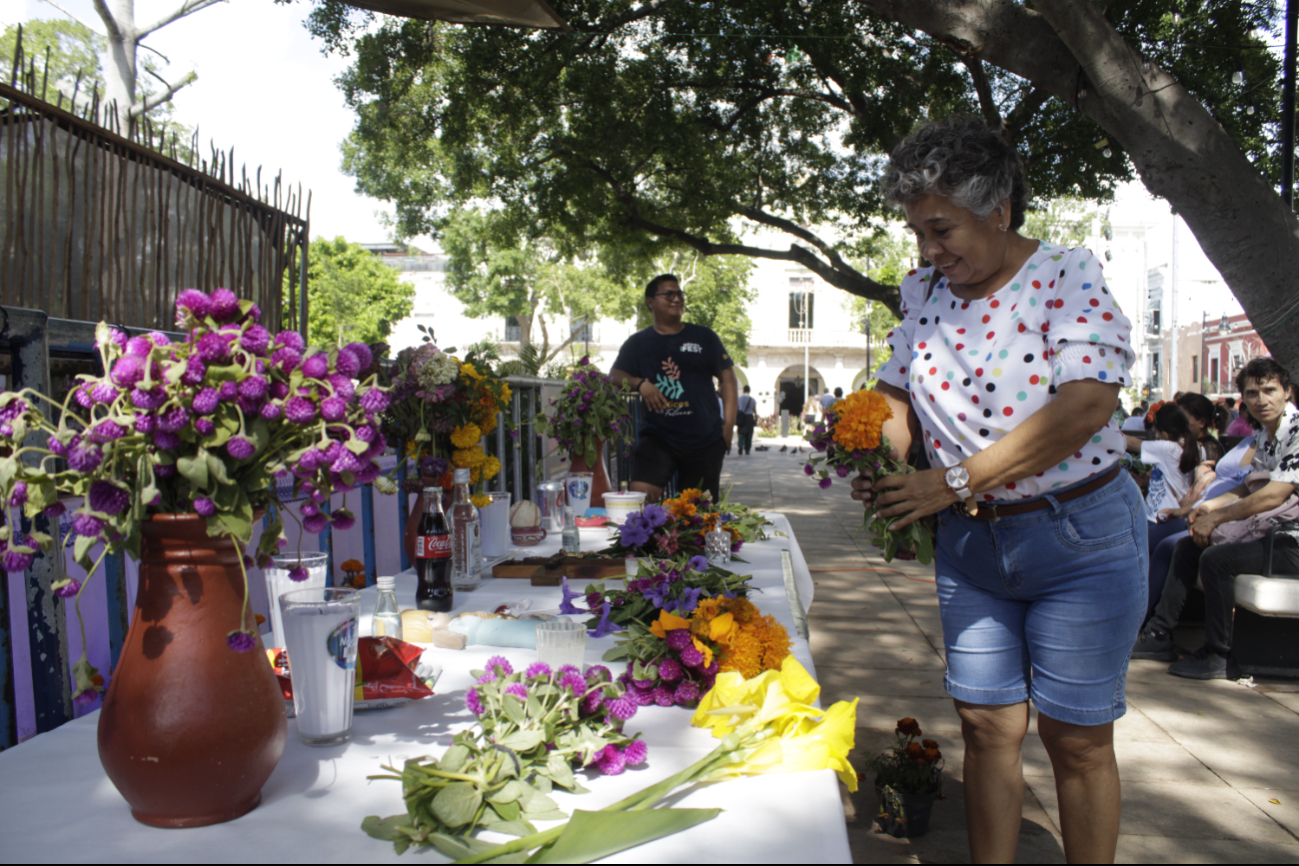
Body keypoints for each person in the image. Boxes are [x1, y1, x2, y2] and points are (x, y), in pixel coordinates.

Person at [853, 116, 1143, 864]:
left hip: (1078, 536)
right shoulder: (921, 292)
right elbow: (893, 398)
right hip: (972, 545)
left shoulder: (1065, 274)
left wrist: (949, 481)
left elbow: (1084, 406)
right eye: (917, 233)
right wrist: (880, 459)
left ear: (999, 212)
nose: (927, 250)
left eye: (941, 229)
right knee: (984, 728)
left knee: (1075, 739)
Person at [1134, 358, 1299, 678]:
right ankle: (1158, 635)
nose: (1261, 400)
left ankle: (1219, 654)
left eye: (1269, 390)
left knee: (1217, 560)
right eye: (1252, 393)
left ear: (1287, 392)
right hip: (1273, 534)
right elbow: (1248, 486)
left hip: (1291, 541)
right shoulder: (1269, 434)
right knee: (1186, 547)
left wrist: (1218, 516)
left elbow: (1274, 494)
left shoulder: (1296, 431)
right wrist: (1208, 508)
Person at [611, 274, 737, 501]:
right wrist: (640, 384)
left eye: (679, 294)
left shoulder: (704, 337)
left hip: (705, 439)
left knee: (697, 515)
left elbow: (727, 378)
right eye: (668, 294)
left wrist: (728, 426)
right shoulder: (638, 343)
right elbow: (615, 376)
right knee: (640, 500)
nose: (676, 298)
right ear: (650, 301)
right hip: (659, 437)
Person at [1123, 403, 1201, 615]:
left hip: (1162, 519)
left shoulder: (1168, 448)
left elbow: (1129, 442)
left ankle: (1136, 614)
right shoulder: (1189, 447)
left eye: (1156, 432)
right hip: (1161, 517)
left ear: (1164, 432)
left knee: (1127, 555)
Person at [1176, 392, 1224, 463]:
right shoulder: (1187, 442)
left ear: (1202, 422)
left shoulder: (1210, 448)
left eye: (1183, 420)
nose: (1177, 424)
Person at [736, 385, 757, 456]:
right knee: (749, 433)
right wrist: (756, 419)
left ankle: (740, 444)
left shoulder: (740, 398)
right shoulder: (752, 400)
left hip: (742, 417)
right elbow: (754, 411)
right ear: (749, 391)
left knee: (741, 432)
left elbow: (737, 408)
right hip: (749, 417)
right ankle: (747, 449)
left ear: (743, 390)